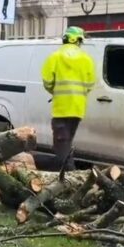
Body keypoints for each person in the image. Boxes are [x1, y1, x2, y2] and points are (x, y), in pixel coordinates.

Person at [41, 26, 95, 171]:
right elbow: (90, 84)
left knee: (61, 144)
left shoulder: (55, 57)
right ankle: (67, 174)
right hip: (78, 109)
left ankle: (70, 175)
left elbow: (47, 81)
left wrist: (56, 91)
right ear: (77, 40)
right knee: (66, 142)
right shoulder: (87, 59)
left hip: (61, 108)